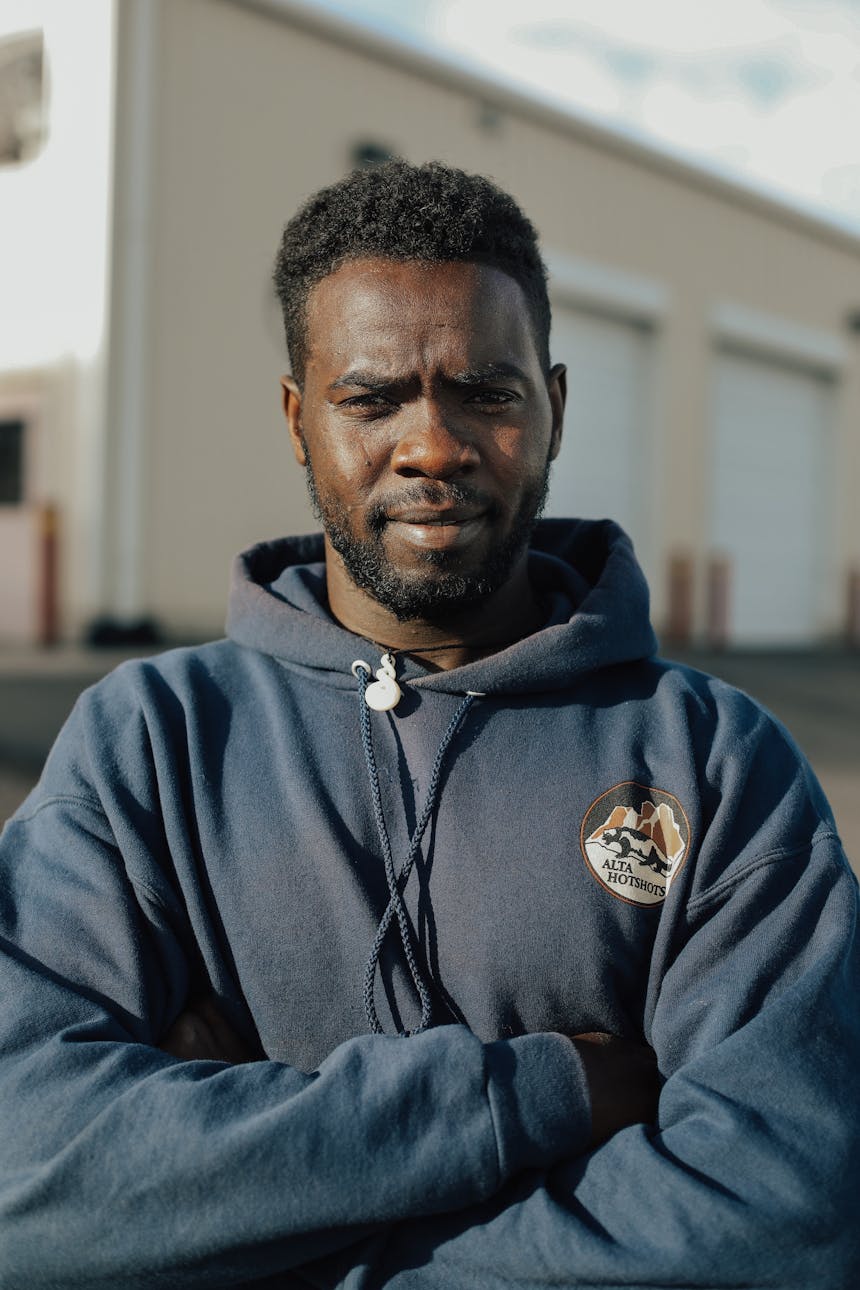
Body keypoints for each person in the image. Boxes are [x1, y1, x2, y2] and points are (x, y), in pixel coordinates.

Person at [1, 160, 858, 1289]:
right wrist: (540, 1095)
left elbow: (778, 1220)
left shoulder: (715, 760)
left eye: (486, 394)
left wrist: (234, 1222)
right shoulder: (148, 744)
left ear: (552, 406)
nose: (433, 445)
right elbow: (31, 1176)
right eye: (371, 398)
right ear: (298, 418)